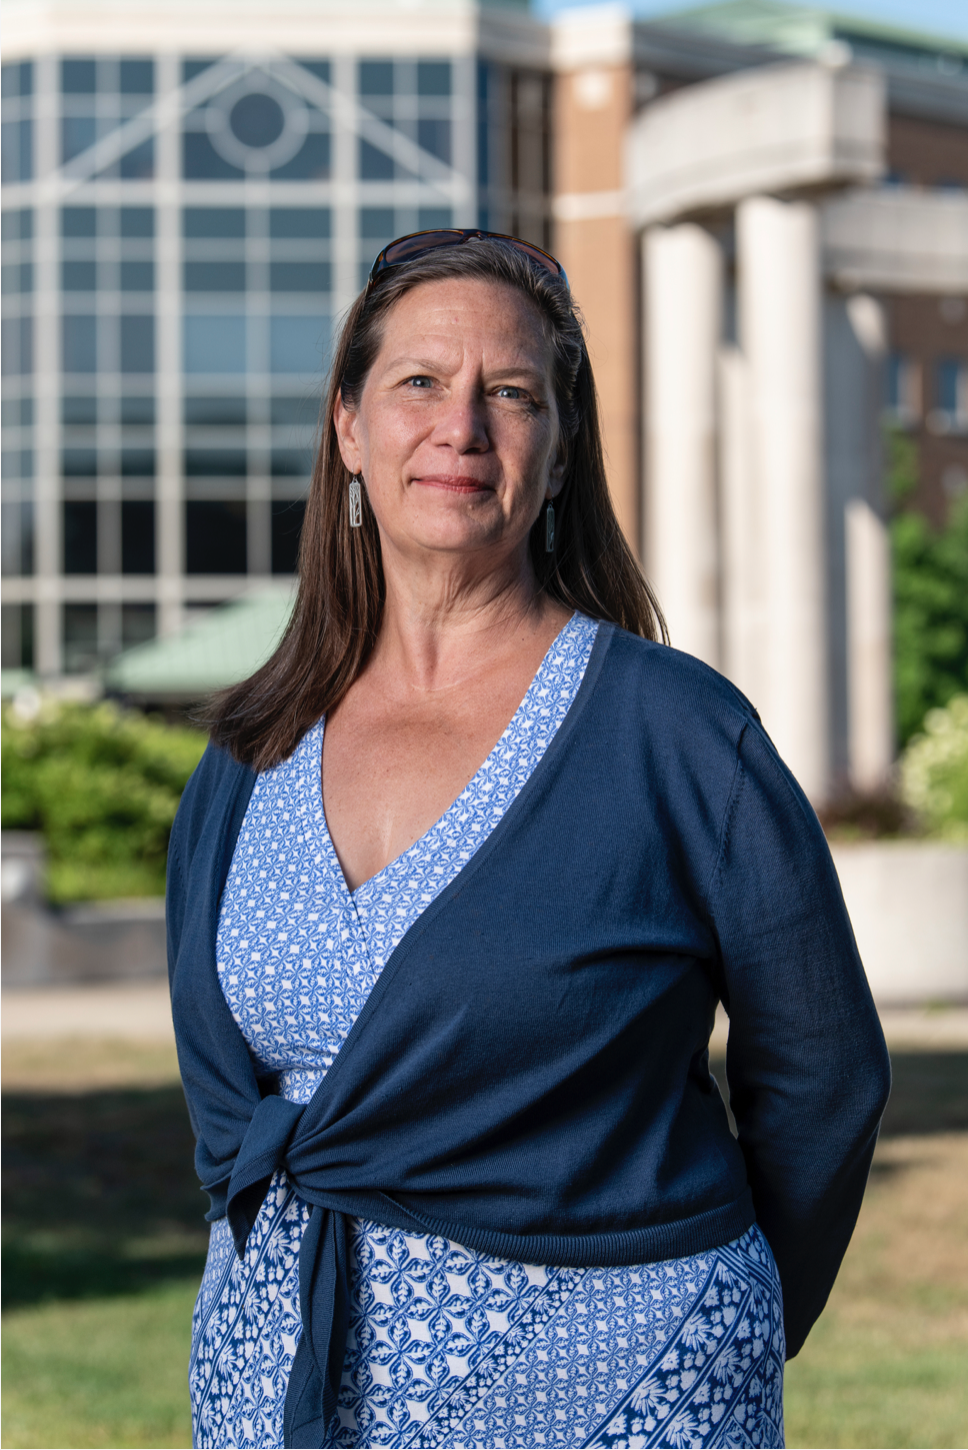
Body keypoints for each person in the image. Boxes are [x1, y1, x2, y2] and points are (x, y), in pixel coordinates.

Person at [167, 230, 891, 1450]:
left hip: (618, 1385)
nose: (461, 427)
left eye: (510, 393)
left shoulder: (674, 735)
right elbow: (226, 1117)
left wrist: (722, 1321)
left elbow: (822, 1073)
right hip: (280, 1376)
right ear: (348, 428)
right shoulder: (252, 753)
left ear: (557, 456)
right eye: (418, 384)